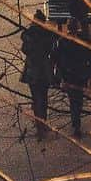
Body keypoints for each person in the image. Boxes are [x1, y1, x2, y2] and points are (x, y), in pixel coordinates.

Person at [55, 16, 91, 138]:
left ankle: (76, 123)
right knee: (78, 100)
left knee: (73, 100)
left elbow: (58, 60)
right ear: (78, 27)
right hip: (81, 74)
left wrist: (60, 77)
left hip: (69, 75)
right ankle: (77, 122)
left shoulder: (62, 41)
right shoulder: (84, 40)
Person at [20, 11, 56, 139]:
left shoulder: (29, 34)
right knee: (44, 97)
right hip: (44, 69)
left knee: (36, 97)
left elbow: (24, 49)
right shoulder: (47, 34)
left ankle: (39, 124)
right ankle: (43, 121)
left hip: (32, 69)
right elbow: (52, 49)